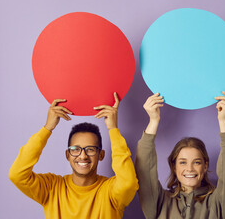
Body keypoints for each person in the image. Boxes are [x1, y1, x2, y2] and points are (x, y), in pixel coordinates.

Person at [8, 92, 139, 218]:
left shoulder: (110, 192)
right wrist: (47, 128)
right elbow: (17, 174)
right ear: (68, 155)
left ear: (101, 155)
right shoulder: (52, 188)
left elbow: (128, 183)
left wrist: (113, 129)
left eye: (90, 149)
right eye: (76, 149)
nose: (83, 156)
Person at [135, 92, 225, 219]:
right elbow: (145, 172)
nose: (190, 169)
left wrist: (223, 120)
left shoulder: (217, 203)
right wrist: (153, 120)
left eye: (197, 162)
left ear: (205, 166)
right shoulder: (160, 201)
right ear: (174, 166)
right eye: (183, 162)